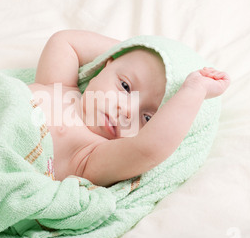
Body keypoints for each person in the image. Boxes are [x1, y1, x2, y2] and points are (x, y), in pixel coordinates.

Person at [28, 30, 230, 187]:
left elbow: (149, 149)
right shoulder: (59, 86)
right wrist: (137, 50)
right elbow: (65, 42)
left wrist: (194, 90)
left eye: (148, 118)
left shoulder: (90, 156)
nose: (126, 112)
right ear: (106, 66)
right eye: (125, 87)